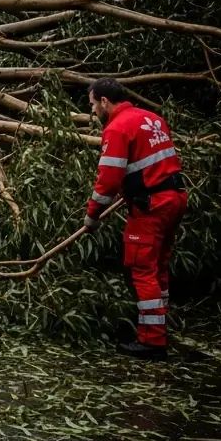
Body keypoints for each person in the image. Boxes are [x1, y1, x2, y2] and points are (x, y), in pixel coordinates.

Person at [83, 78, 187, 360]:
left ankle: (152, 341)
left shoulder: (117, 128)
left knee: (141, 267)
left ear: (104, 101)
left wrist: (92, 216)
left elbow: (107, 180)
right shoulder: (151, 118)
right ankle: (163, 325)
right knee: (159, 264)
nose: (93, 111)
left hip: (151, 207)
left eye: (93, 104)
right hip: (174, 197)